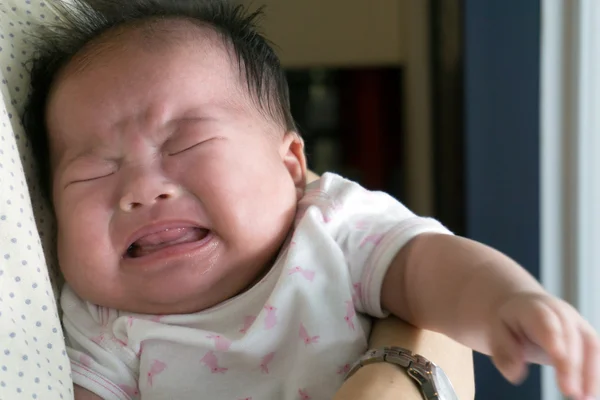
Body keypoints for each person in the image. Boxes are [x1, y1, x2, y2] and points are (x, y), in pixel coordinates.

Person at [23, 0, 598, 399]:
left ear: (291, 165)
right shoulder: (104, 320)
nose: (143, 189)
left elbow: (430, 265)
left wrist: (505, 302)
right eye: (93, 171)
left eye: (186, 143)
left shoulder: (327, 226)